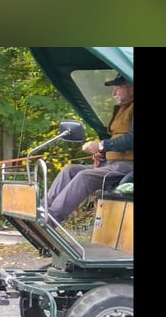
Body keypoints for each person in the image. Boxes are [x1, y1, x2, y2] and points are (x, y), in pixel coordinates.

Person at [45, 73, 133, 224]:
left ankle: (50, 219)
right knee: (70, 170)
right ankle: (43, 209)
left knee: (85, 176)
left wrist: (101, 145)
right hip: (111, 164)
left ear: (131, 88)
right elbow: (116, 138)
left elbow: (131, 139)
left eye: (117, 87)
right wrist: (102, 154)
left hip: (127, 166)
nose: (113, 93)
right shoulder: (121, 109)